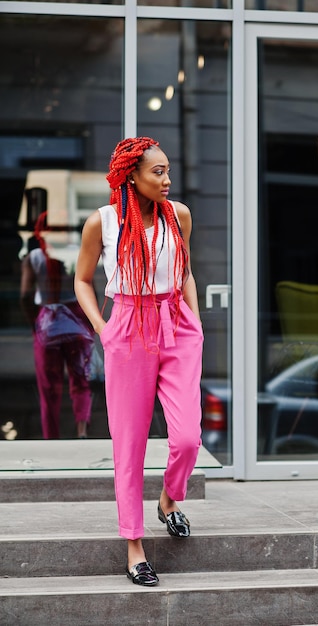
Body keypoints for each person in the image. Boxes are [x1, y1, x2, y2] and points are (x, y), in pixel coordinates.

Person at [74, 136, 203, 586]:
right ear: (132, 174)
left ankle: (169, 500)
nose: (167, 180)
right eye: (158, 172)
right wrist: (103, 329)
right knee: (128, 444)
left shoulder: (179, 216)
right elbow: (83, 280)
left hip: (176, 323)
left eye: (168, 170)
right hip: (128, 326)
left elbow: (184, 269)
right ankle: (134, 546)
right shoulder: (103, 223)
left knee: (187, 436)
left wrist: (196, 323)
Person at [20, 212, 94, 439]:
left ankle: (50, 437)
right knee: (80, 377)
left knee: (48, 385)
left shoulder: (33, 257)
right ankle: (81, 430)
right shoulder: (75, 254)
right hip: (76, 315)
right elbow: (88, 286)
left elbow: (25, 295)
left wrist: (35, 322)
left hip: (47, 317)